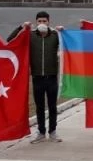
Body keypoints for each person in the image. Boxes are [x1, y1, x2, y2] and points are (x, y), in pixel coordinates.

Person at [8, 11, 63, 143]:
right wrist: (21, 27)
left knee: (52, 106)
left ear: (49, 22)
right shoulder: (30, 35)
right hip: (37, 77)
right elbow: (10, 41)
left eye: (44, 21)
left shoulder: (55, 35)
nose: (42, 24)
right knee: (39, 106)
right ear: (36, 22)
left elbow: (69, 45)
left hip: (51, 77)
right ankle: (41, 132)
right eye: (39, 21)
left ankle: (53, 131)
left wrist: (63, 32)